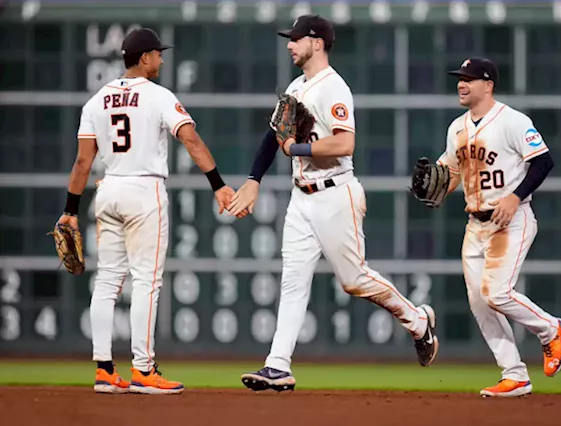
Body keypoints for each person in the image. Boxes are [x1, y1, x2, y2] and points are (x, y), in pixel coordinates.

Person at [227, 15, 439, 393]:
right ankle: (277, 365)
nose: (289, 45)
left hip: (335, 193)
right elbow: (273, 135)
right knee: (292, 281)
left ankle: (418, 321)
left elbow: (344, 144)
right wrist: (254, 180)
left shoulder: (333, 88)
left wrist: (299, 148)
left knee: (354, 280)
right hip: (301, 196)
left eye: (295, 39)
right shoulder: (297, 86)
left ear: (317, 42)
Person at [56, 28, 234, 394]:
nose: (162, 60)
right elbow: (190, 138)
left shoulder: (95, 102)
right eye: (158, 54)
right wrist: (218, 184)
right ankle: (143, 369)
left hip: (108, 191)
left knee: (106, 282)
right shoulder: (158, 96)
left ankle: (104, 370)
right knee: (146, 283)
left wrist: (70, 210)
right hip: (144, 191)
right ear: (145, 58)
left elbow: (82, 161)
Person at [432, 57, 561, 397]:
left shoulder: (513, 121)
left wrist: (515, 196)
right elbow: (451, 172)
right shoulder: (457, 129)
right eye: (460, 79)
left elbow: (543, 162)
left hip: (511, 219)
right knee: (479, 302)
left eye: (469, 79)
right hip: (475, 224)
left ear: (488, 85)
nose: (462, 84)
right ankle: (515, 375)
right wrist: (436, 190)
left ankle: (550, 329)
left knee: (497, 293)